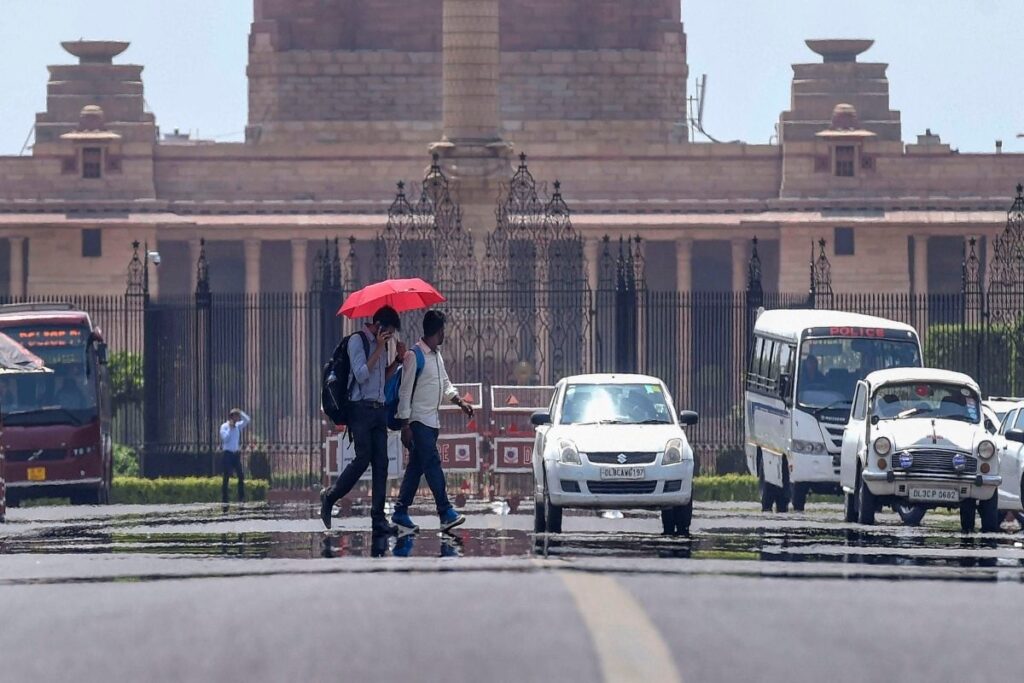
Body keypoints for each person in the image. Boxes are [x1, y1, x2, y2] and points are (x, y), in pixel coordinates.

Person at [320, 305, 406, 533]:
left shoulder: (383, 346)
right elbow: (360, 374)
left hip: (379, 409)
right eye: (388, 332)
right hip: (359, 409)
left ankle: (378, 519)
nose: (389, 337)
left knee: (382, 463)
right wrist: (378, 347)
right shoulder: (357, 341)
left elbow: (382, 379)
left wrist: (396, 360)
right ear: (378, 327)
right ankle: (330, 496)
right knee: (363, 457)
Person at [391, 310, 474, 534]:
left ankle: (399, 512)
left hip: (432, 421)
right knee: (433, 464)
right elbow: (405, 392)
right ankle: (445, 512)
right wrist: (405, 425)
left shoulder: (436, 356)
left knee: (416, 468)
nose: (444, 333)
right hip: (418, 422)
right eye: (443, 330)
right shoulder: (413, 356)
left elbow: (445, 384)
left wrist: (460, 402)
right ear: (438, 331)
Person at [219, 408, 251, 503]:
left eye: (238, 416)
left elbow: (247, 420)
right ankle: (225, 498)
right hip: (227, 454)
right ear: (231, 417)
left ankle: (241, 497)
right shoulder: (224, 426)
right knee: (227, 476)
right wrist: (230, 428)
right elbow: (225, 439)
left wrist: (240, 411)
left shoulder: (238, 426)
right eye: (236, 416)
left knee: (240, 475)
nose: (237, 418)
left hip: (235, 454)